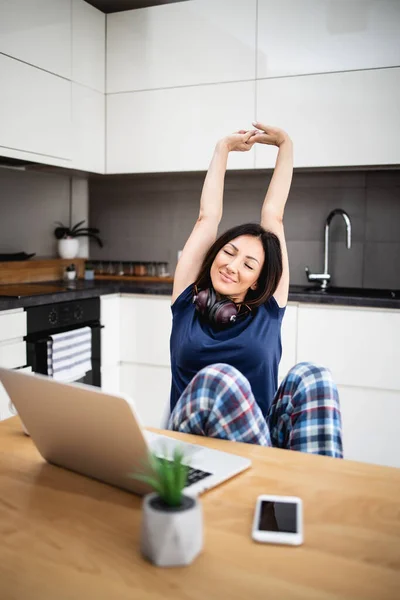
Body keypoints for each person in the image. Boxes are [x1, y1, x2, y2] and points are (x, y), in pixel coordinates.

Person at [167, 122, 343, 458]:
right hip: (192, 443)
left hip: (258, 445)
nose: (233, 266)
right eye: (229, 253)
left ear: (258, 281)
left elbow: (273, 216)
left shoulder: (267, 311)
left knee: (312, 376)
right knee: (220, 378)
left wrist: (286, 145)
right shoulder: (187, 302)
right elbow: (207, 217)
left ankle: (312, 500)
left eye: (248, 265)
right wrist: (223, 149)